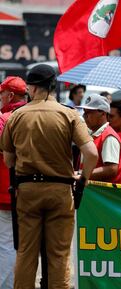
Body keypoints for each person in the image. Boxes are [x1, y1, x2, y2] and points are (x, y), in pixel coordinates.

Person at [0, 64, 98, 289]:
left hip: (27, 191)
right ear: (53, 87)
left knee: (26, 252)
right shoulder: (69, 113)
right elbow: (91, 153)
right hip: (60, 190)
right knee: (59, 255)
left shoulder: (16, 116)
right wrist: (82, 179)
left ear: (31, 88)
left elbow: (8, 160)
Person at [0, 76, 26, 289]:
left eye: (1, 94)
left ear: (9, 95)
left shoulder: (4, 119)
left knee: (7, 244)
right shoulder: (36, 115)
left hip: (6, 190)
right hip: (35, 189)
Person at [78, 94, 121, 184]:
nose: (85, 116)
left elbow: (111, 169)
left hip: (105, 195)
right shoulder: (93, 134)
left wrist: (82, 174)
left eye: (89, 112)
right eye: (84, 112)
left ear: (103, 113)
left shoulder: (109, 137)